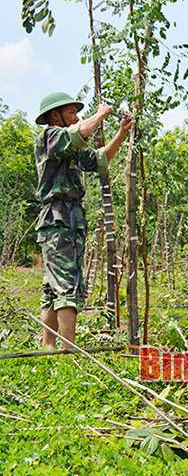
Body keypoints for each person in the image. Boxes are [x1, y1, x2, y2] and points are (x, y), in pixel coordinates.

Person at [34, 92, 132, 350]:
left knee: (53, 287)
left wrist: (121, 133)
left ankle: (49, 348)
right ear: (55, 116)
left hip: (69, 219)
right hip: (57, 219)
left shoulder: (71, 147)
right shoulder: (51, 137)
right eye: (71, 113)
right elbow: (80, 133)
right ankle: (68, 352)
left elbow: (101, 159)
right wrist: (100, 113)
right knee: (66, 285)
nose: (76, 117)